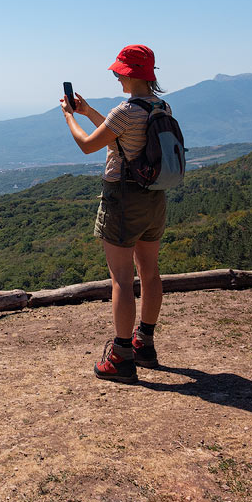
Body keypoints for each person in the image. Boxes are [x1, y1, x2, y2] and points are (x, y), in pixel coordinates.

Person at [60, 44, 167, 384]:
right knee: (149, 271)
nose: (116, 75)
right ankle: (144, 343)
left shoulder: (125, 110)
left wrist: (70, 117)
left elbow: (88, 144)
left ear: (129, 73)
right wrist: (91, 111)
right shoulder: (159, 106)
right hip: (154, 197)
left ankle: (121, 356)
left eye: (119, 70)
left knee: (121, 278)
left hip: (123, 199)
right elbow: (118, 137)